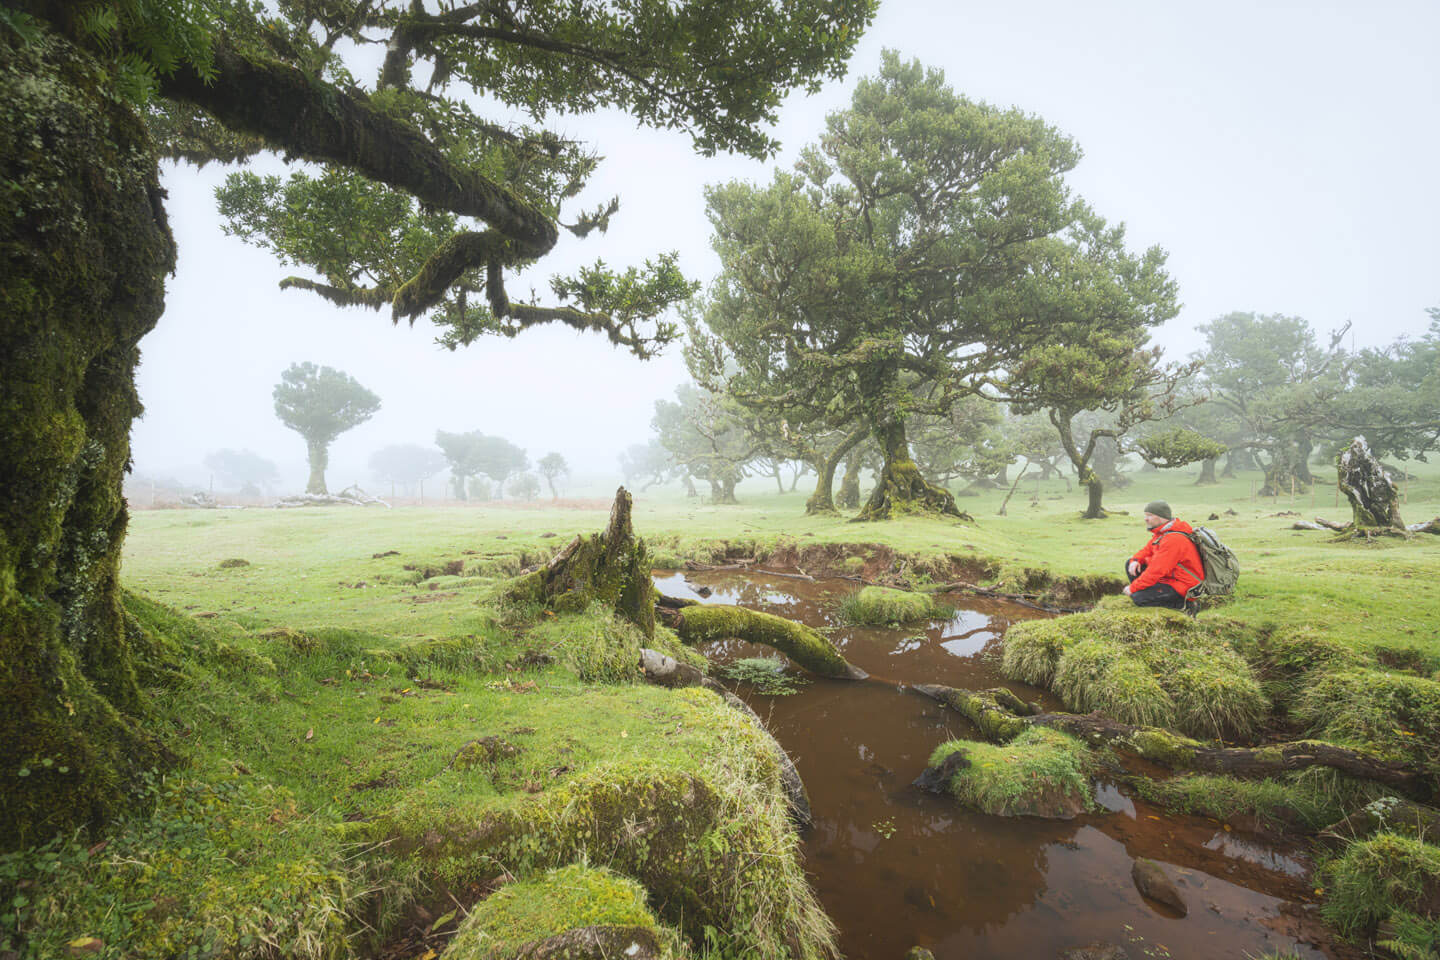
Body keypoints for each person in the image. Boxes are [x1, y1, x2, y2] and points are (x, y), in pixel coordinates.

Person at [1123, 500, 1203, 612]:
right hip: (1170, 578)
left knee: (1138, 598)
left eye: (1149, 515)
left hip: (1184, 586)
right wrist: (1135, 560)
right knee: (1130, 563)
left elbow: (1157, 570)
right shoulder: (1162, 533)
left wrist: (1133, 588)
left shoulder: (1173, 539)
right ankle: (1149, 593)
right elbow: (1146, 550)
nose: (1146, 519)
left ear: (1161, 517)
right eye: (1146, 515)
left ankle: (1186, 606)